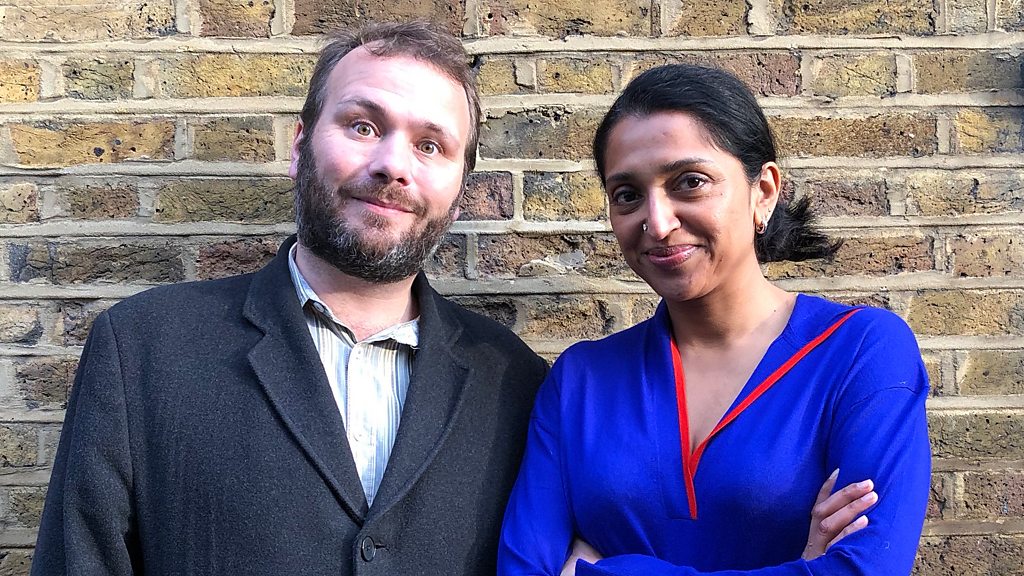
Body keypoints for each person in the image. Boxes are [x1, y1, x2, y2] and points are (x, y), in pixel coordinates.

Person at [32, 21, 548, 576]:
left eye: (430, 145)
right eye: (363, 126)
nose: (394, 166)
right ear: (300, 146)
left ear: (461, 188)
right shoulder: (143, 348)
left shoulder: (516, 382)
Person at [498, 63, 931, 575]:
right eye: (628, 195)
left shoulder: (860, 352)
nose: (657, 222)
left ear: (763, 192)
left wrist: (600, 571)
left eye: (690, 182)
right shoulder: (581, 381)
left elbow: (865, 569)